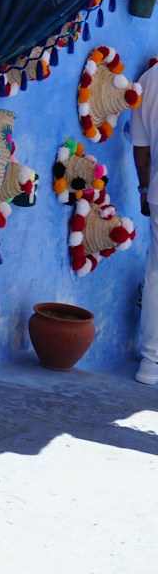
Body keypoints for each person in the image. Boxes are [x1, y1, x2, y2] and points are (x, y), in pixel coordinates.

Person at [129, 58, 158, 384]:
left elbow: (142, 150)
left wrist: (143, 187)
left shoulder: (149, 80)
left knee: (156, 275)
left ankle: (150, 365)